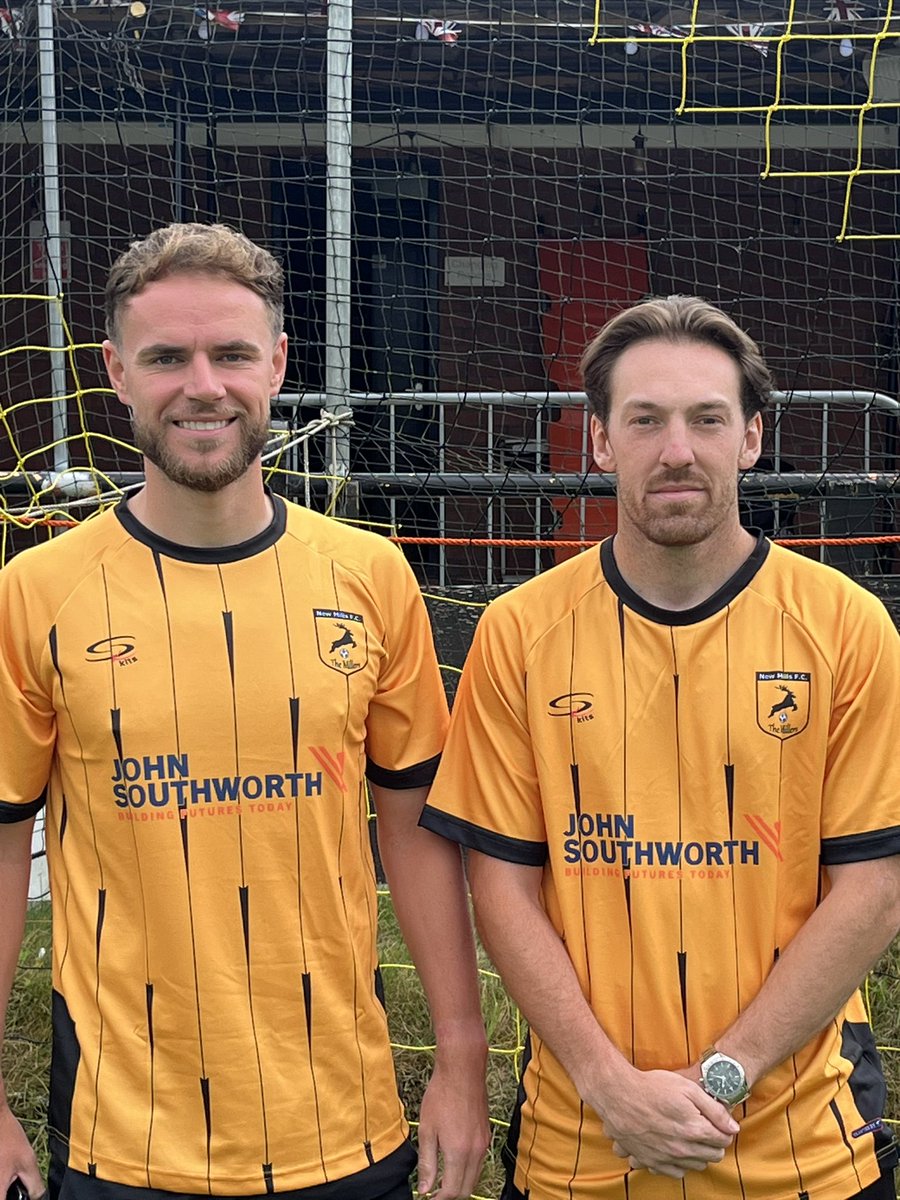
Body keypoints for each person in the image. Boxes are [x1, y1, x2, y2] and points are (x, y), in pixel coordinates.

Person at [0, 223, 489, 1200]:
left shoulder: (371, 576)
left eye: (230, 354)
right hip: (123, 1139)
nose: (203, 386)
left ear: (277, 363)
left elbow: (415, 832)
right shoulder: (35, 593)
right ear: (116, 373)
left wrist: (463, 1058)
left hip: (344, 1124)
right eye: (165, 358)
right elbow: (6, 844)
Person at [420, 295, 900, 1200]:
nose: (676, 449)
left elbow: (874, 890)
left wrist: (724, 1074)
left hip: (806, 1155)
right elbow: (501, 889)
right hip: (579, 1151)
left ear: (751, 438)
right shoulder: (518, 632)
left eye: (706, 419)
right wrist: (610, 1086)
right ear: (602, 441)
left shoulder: (848, 626)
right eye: (645, 421)